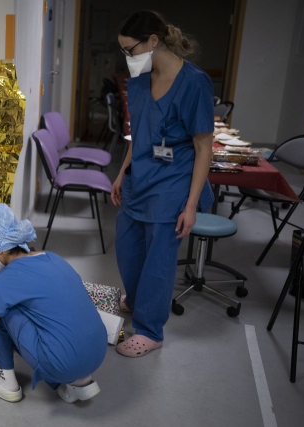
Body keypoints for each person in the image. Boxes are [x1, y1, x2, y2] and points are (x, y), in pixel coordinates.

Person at [111, 11, 214, 357]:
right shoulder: (139, 81)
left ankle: (151, 330)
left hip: (172, 184)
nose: (128, 57)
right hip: (138, 178)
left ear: (153, 41)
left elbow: (203, 147)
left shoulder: (195, 82)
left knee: (158, 260)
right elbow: (136, 136)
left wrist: (190, 204)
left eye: (130, 49)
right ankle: (138, 301)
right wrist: (121, 172)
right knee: (127, 251)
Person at [0, 204, 107, 403]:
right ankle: (79, 383)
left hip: (63, 364)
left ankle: (5, 380)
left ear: (0, 251)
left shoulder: (2, 283)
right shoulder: (53, 258)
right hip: (98, 352)